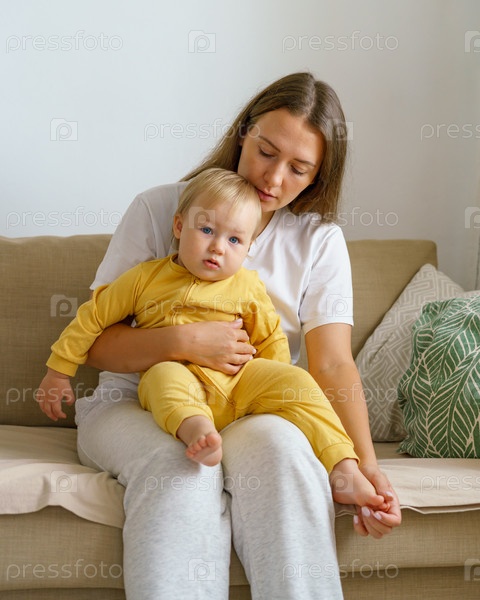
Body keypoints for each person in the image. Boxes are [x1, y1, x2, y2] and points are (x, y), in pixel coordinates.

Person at [38, 72, 401, 599]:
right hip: (136, 401)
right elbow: (94, 339)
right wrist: (183, 343)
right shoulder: (162, 208)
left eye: (298, 169)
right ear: (243, 133)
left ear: (318, 177)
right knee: (180, 466)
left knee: (286, 452)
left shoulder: (319, 241)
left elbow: (330, 365)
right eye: (266, 152)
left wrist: (364, 466)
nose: (273, 177)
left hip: (246, 404)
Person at [38, 167, 388, 511]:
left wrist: (273, 385)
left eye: (234, 240)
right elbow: (93, 317)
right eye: (206, 230)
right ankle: (197, 430)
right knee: (162, 377)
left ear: (248, 247)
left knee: (297, 380)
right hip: (180, 377)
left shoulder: (248, 286)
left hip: (238, 386)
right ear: (179, 226)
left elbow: (271, 340)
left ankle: (343, 465)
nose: (218, 248)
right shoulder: (145, 279)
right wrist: (58, 371)